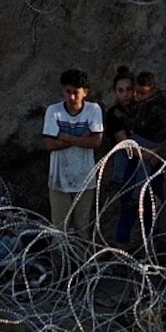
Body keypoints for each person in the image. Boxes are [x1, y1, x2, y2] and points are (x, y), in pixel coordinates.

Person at [108, 69, 166, 250]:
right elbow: (125, 144)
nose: (127, 95)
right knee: (130, 207)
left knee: (153, 205)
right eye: (120, 90)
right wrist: (148, 154)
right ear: (115, 92)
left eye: (129, 89)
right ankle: (121, 248)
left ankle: (152, 247)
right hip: (131, 166)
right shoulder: (115, 113)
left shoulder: (150, 106)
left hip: (154, 163)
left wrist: (156, 152)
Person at [42, 71, 110, 238]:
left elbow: (96, 142)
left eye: (76, 92)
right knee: (59, 230)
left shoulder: (93, 110)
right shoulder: (54, 111)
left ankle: (81, 263)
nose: (72, 97)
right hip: (58, 179)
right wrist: (81, 137)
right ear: (62, 91)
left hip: (85, 179)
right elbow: (49, 144)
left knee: (82, 229)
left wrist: (63, 136)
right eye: (68, 92)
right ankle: (60, 263)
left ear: (85, 92)